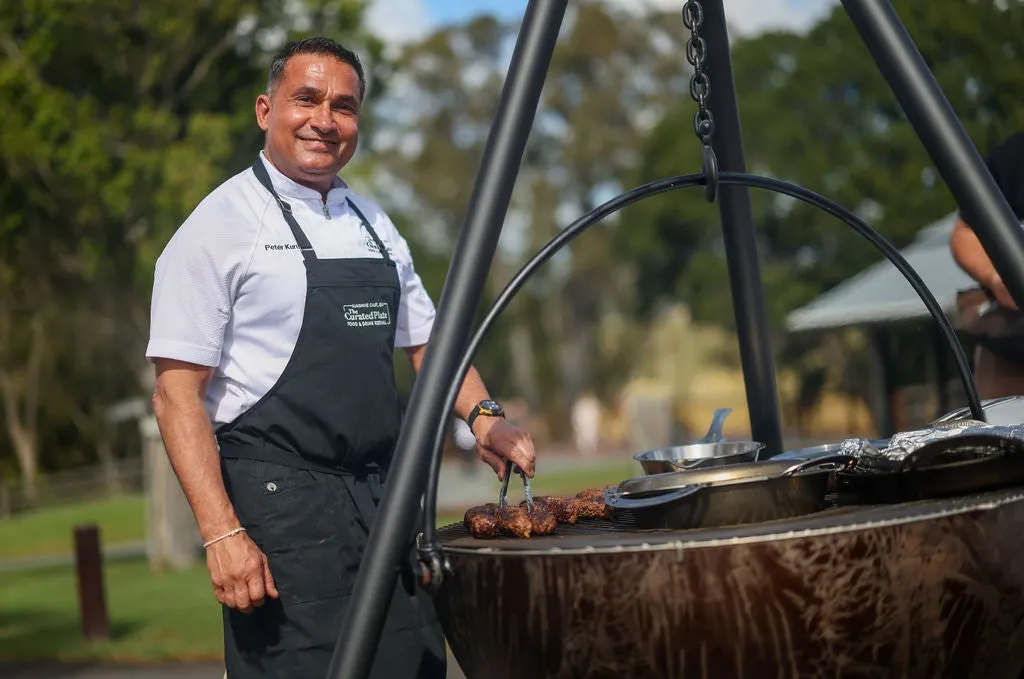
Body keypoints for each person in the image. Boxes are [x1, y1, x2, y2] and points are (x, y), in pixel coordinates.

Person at [146, 36, 536, 679]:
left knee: (410, 665)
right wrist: (221, 535)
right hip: (281, 511)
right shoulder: (217, 227)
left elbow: (428, 344)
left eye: (344, 106)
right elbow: (175, 395)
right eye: (307, 99)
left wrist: (485, 417)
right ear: (265, 110)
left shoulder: (374, 221)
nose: (325, 120)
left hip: (384, 500)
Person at [951, 130, 1024, 398]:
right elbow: (966, 234)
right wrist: (997, 277)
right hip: (1013, 348)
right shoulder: (1018, 152)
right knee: (999, 434)